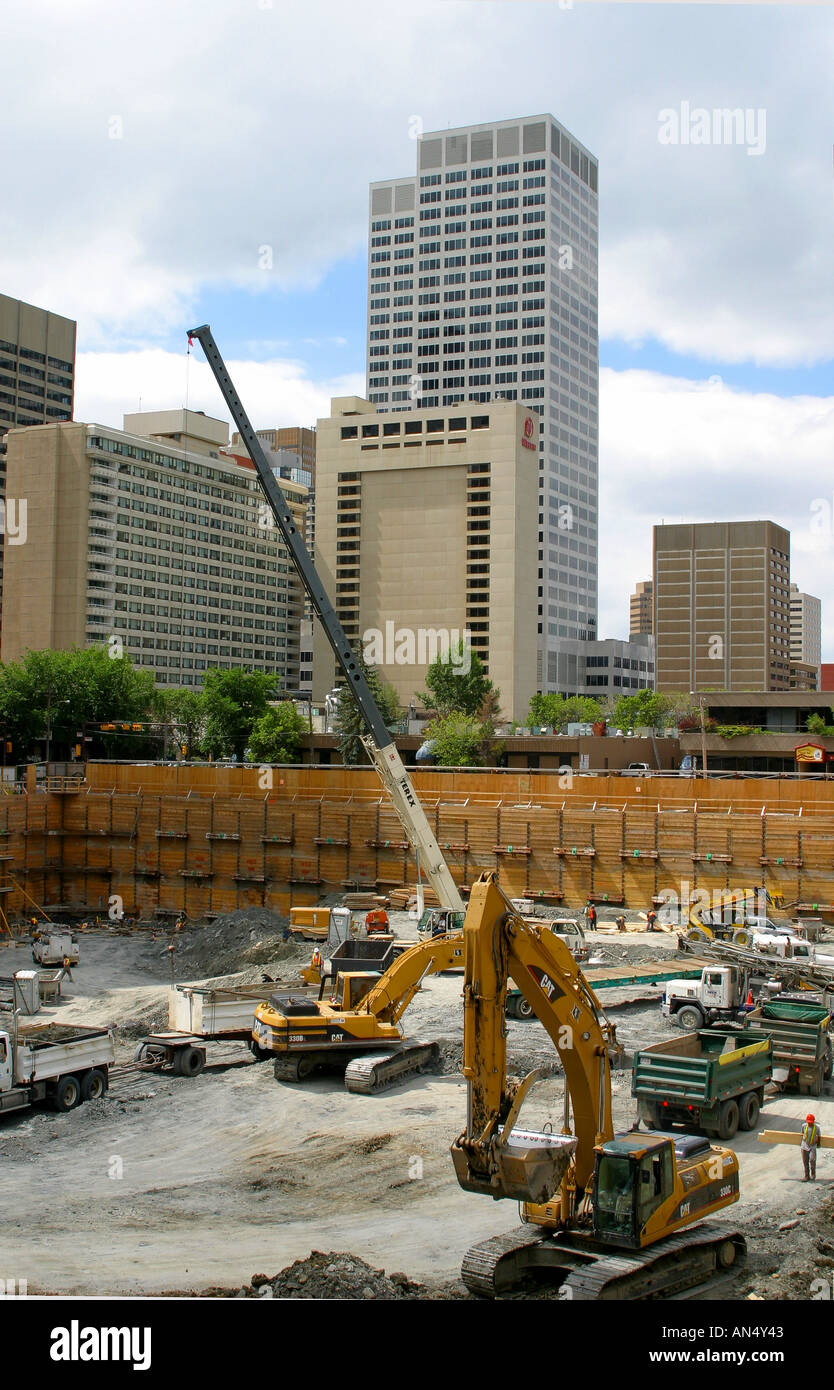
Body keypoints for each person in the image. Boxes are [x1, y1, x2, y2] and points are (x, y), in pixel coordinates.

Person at [801, 1114, 821, 1182]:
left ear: (813, 1121)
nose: (809, 1123)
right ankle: (806, 1176)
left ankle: (813, 1174)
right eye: (808, 1122)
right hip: (804, 1146)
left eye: (811, 1122)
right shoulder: (804, 1126)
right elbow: (802, 1134)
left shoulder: (817, 1127)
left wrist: (818, 1144)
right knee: (805, 1161)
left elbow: (819, 1136)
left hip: (812, 1146)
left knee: (812, 1160)